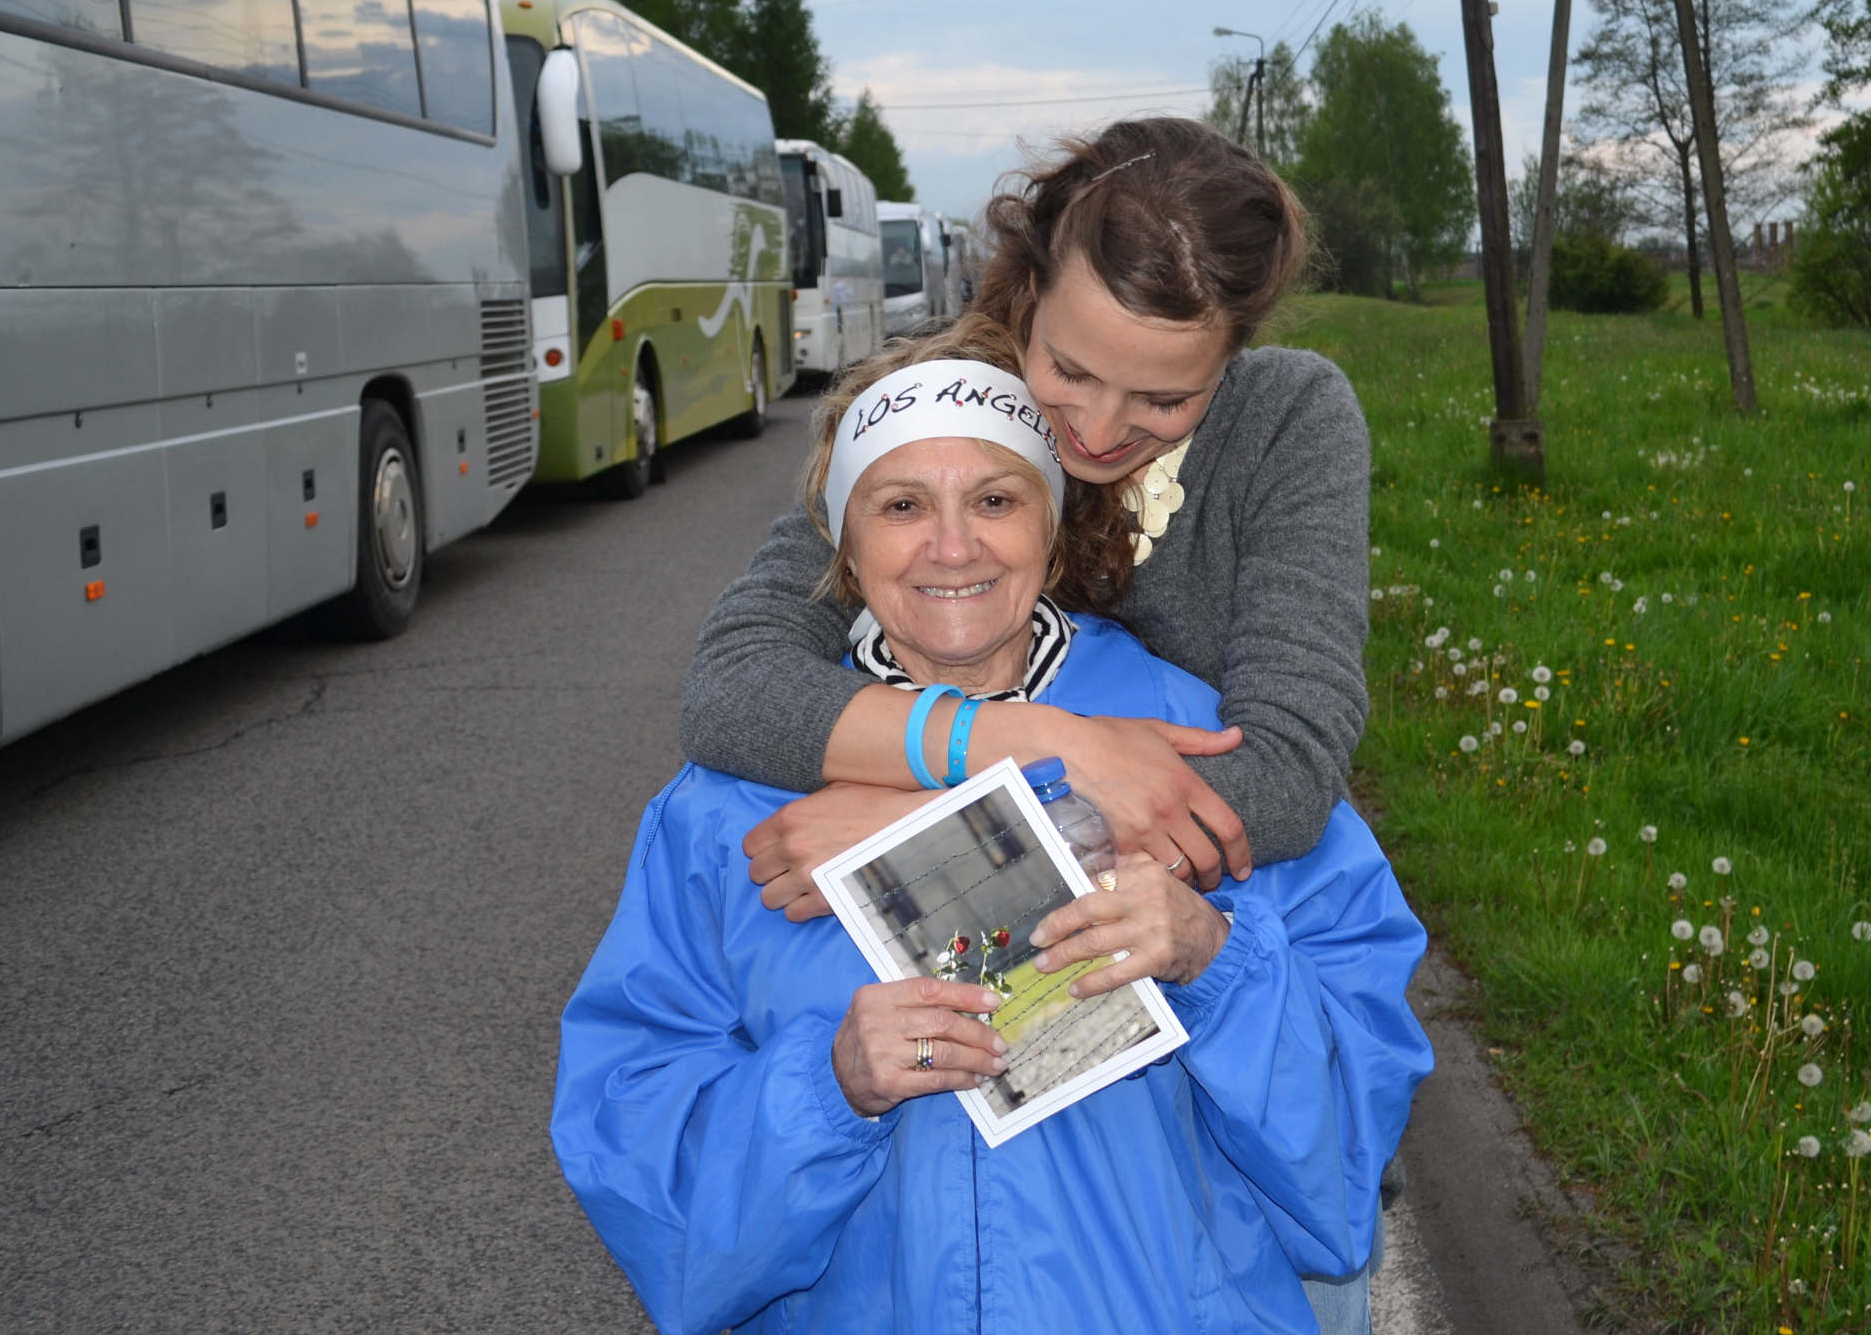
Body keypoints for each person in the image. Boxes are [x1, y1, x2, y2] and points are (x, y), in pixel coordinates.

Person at [553, 330, 1431, 1335]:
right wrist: (828, 1083)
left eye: (997, 499)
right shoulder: (729, 805)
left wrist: (1214, 956)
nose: (953, 545)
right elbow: (641, 1166)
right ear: (843, 544)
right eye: (901, 504)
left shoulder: (1200, 751)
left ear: (1055, 534)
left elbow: (1350, 1143)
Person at [683, 116, 1371, 909]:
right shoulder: (946, 396)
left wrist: (922, 835)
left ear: (1233, 355)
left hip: (1220, 932)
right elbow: (732, 686)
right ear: (1030, 294)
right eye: (1069, 370)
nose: (1100, 432)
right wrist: (1051, 748)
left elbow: (1286, 776)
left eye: (1166, 398)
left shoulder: (1289, 419)